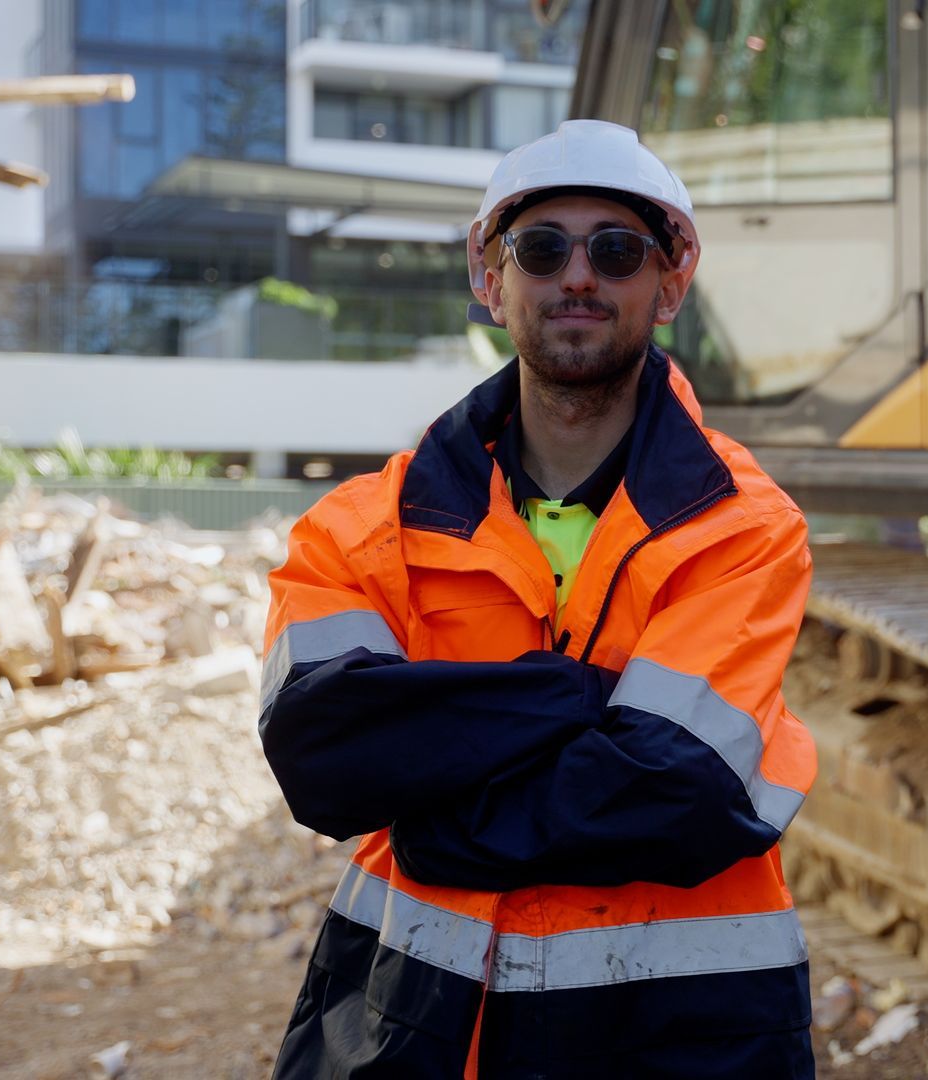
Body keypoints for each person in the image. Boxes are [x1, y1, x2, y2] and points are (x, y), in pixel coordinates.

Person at [258, 119, 818, 1078]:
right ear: (492, 280)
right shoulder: (361, 529)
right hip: (421, 1029)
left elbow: (673, 785)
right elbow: (323, 755)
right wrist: (573, 698)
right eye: (543, 247)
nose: (579, 277)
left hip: (683, 1034)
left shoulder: (744, 527)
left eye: (616, 250)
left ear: (668, 285)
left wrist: (436, 804)